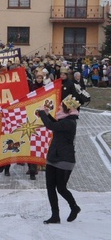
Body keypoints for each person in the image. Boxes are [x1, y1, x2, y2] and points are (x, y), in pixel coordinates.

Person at [36, 95, 82, 224]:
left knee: (61, 188)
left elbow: (51, 126)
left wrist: (41, 113)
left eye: (62, 106)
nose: (59, 107)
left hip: (65, 160)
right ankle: (55, 216)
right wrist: (46, 114)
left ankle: (74, 207)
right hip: (53, 157)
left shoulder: (70, 122)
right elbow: (55, 124)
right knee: (50, 187)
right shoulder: (64, 120)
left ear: (68, 109)